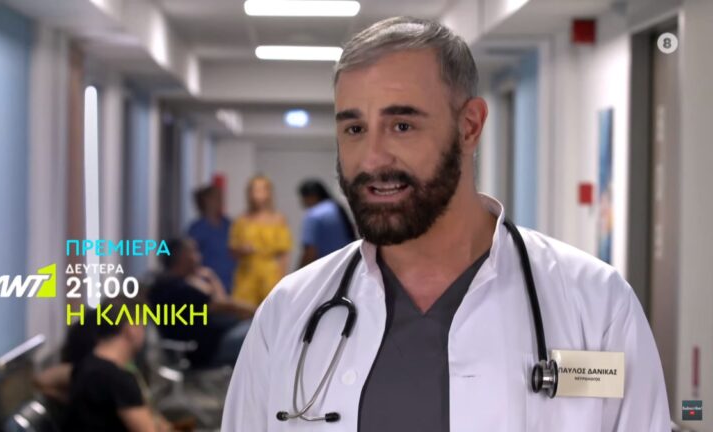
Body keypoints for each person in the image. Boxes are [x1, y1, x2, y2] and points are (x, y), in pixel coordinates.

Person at [222, 17, 670, 431]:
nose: (372, 159)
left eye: (402, 125)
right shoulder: (288, 312)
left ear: (469, 126)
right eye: (354, 129)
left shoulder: (597, 305)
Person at [65, 297, 171, 432]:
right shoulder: (119, 380)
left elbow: (44, 380)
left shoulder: (84, 366)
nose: (144, 333)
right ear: (131, 329)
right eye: (142, 325)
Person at [149, 238, 254, 369]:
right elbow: (225, 305)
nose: (199, 256)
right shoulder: (178, 288)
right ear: (182, 257)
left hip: (204, 346)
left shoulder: (166, 284)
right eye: (194, 252)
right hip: (204, 350)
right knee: (258, 332)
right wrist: (257, 311)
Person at [229, 175, 292, 306]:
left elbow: (283, 253)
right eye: (254, 190)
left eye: (261, 190)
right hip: (247, 275)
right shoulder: (241, 220)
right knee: (244, 310)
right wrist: (242, 250)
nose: (257, 194)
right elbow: (232, 250)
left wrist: (282, 280)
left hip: (270, 275)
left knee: (269, 309)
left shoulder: (278, 219)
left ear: (268, 192)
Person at [187, 185, 237, 293]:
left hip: (232, 281)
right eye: (216, 198)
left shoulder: (229, 225)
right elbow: (190, 256)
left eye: (221, 198)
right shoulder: (197, 228)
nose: (220, 201)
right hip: (207, 283)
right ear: (206, 201)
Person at [297, 179, 356, 267]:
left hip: (326, 268)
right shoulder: (337, 208)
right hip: (348, 263)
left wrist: (298, 271)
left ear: (311, 196)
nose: (302, 202)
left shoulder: (313, 215)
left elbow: (310, 251)